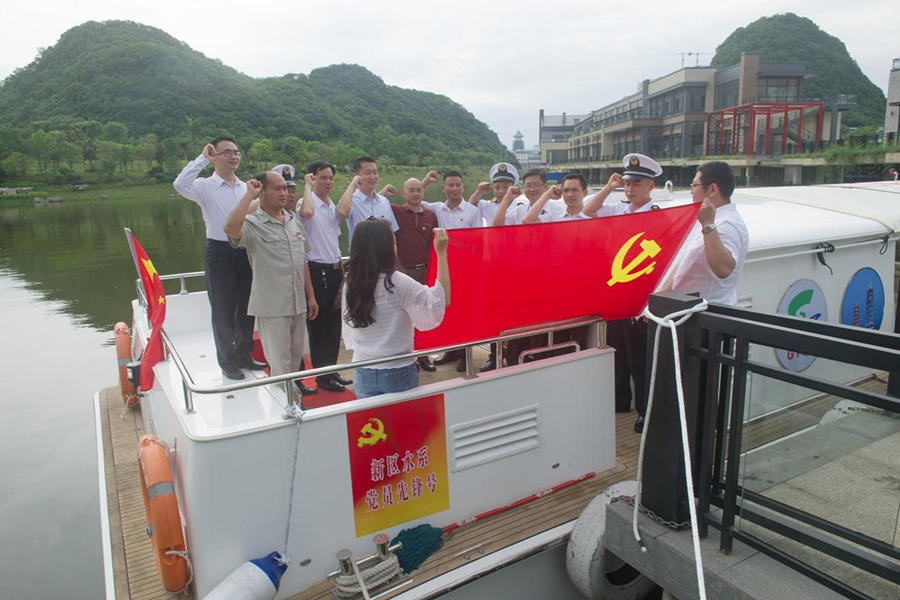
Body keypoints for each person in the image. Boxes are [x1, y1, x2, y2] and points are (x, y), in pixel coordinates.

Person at [223, 172, 319, 402]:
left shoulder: (292, 221)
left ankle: (292, 404)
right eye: (277, 188)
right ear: (262, 191)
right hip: (273, 306)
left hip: (298, 303)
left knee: (294, 362)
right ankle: (289, 408)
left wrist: (311, 296)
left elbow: (302, 261)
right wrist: (249, 196)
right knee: (280, 365)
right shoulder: (253, 223)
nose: (284, 193)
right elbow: (230, 228)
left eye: (285, 188)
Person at [585, 153, 663, 434]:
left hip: (640, 296)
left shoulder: (658, 216)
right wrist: (609, 187)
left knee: (639, 358)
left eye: (637, 184)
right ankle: (620, 401)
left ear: (651, 186)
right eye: (628, 184)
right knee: (616, 350)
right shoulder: (619, 210)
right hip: (618, 293)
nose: (630, 189)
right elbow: (589, 210)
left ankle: (644, 411)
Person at [173, 137, 263, 381]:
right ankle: (227, 361)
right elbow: (180, 184)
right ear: (215, 156)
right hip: (220, 251)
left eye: (236, 152)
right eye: (227, 152)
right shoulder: (205, 186)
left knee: (247, 307)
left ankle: (244, 355)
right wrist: (202, 159)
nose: (234, 156)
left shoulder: (245, 187)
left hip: (244, 249)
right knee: (223, 309)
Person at [342, 219, 451, 399]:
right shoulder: (395, 282)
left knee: (370, 417)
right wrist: (441, 253)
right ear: (385, 247)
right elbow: (439, 300)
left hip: (363, 369)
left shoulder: (351, 282)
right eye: (393, 241)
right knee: (403, 418)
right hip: (397, 369)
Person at [296, 161, 354, 393]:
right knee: (319, 325)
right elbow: (307, 213)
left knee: (334, 323)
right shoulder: (306, 202)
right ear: (312, 178)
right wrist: (307, 187)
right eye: (323, 177)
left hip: (334, 269)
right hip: (316, 270)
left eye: (331, 178)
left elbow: (344, 212)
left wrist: (353, 183)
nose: (328, 182)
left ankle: (331, 369)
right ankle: (322, 375)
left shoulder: (331, 206)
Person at [664, 161, 749, 305]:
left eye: (694, 185)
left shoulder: (728, 224)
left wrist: (708, 224)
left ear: (712, 189)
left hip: (706, 311)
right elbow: (683, 265)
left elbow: (723, 269)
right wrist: (659, 299)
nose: (691, 191)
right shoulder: (706, 218)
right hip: (683, 306)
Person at [391, 177, 440, 372]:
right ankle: (405, 356)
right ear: (403, 193)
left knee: (423, 314)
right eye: (411, 190)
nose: (416, 193)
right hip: (403, 272)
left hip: (424, 271)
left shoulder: (430, 215)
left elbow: (433, 245)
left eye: (419, 190)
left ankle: (423, 355)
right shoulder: (395, 212)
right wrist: (398, 268)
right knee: (403, 316)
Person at [336, 157, 400, 245]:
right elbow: (342, 213)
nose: (372, 177)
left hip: (385, 252)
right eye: (367, 173)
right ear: (356, 176)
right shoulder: (352, 201)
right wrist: (353, 184)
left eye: (375, 172)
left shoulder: (384, 201)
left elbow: (391, 231)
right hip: (361, 253)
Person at [523, 173, 591, 223]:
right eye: (566, 190)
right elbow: (527, 221)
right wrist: (547, 195)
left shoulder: (591, 217)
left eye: (574, 190)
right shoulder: (555, 217)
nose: (569, 195)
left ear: (585, 193)